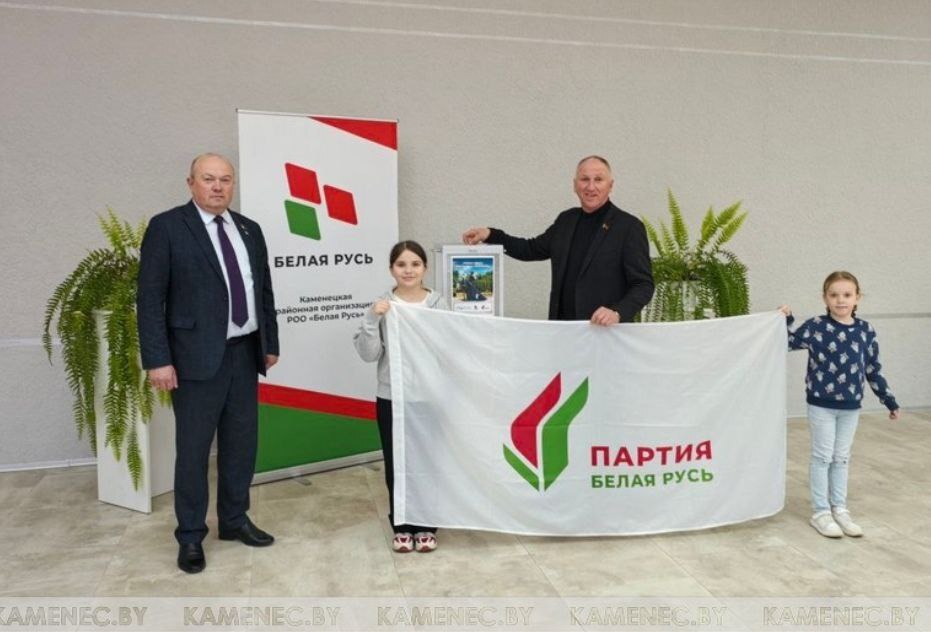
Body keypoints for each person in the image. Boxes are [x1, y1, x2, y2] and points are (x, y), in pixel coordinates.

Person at [137, 153, 280, 573]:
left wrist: (269, 342)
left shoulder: (249, 229)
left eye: (225, 180)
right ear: (191, 183)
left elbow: (263, 291)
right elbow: (150, 299)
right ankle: (190, 535)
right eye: (208, 179)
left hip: (245, 353)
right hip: (194, 360)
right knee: (194, 451)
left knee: (241, 445)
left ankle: (234, 520)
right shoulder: (167, 227)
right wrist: (158, 360)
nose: (218, 187)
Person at [461, 155, 654, 324]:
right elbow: (530, 249)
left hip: (605, 333)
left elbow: (643, 285)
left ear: (610, 185)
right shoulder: (566, 220)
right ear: (575, 185)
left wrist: (617, 312)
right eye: (584, 179)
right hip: (562, 331)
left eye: (598, 179)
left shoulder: (629, 227)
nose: (591, 186)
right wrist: (490, 234)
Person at [779, 271, 899, 539]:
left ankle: (840, 508)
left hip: (851, 407)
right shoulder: (816, 326)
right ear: (825, 298)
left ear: (857, 298)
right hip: (821, 405)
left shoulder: (865, 330)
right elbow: (787, 343)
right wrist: (786, 319)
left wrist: (888, 399)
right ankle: (821, 512)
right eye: (834, 295)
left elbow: (872, 369)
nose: (840, 300)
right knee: (822, 457)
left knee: (841, 457)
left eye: (847, 295)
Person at [353, 241, 447, 553]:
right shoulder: (383, 305)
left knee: (428, 461)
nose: (408, 270)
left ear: (425, 268)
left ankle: (426, 524)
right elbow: (368, 354)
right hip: (391, 396)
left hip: (428, 397)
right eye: (401, 264)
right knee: (397, 462)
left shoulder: (438, 305)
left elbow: (449, 348)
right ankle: (402, 525)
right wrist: (372, 319)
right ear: (391, 269)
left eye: (415, 264)